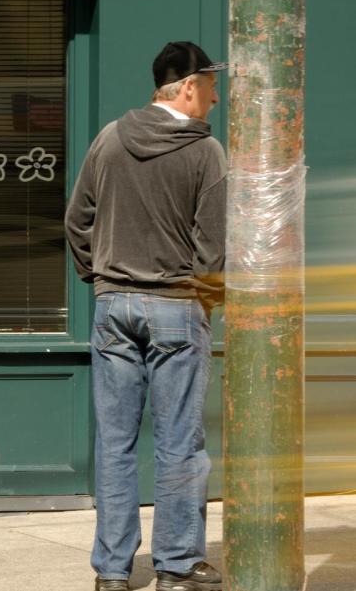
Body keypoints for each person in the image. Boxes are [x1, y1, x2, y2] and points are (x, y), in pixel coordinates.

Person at [65, 41, 228, 591]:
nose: (215, 96)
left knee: (115, 443)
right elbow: (214, 247)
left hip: (113, 307)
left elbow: (76, 220)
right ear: (185, 87)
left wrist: (102, 279)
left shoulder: (110, 137)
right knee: (180, 442)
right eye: (209, 85)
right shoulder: (206, 152)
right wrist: (208, 297)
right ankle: (177, 565)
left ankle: (112, 573)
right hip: (177, 307)